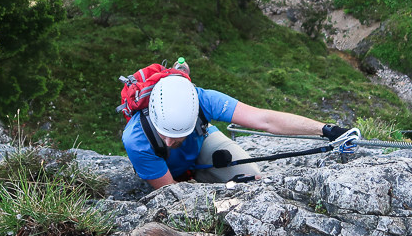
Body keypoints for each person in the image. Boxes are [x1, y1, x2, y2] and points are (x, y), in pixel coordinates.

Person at [122, 75, 350, 189]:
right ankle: (200, 176)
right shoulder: (137, 141)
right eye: (164, 134)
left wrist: (326, 129)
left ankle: (202, 172)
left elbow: (264, 119)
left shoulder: (203, 99)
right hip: (165, 170)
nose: (170, 142)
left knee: (253, 178)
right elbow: (172, 193)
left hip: (201, 144)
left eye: (179, 133)